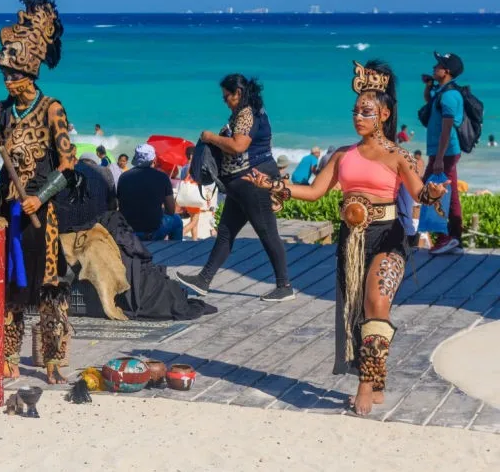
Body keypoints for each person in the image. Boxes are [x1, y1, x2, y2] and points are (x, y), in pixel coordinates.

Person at [245, 60, 448, 415]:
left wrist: (432, 192)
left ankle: (365, 385)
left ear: (383, 114)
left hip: (390, 237)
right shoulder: (342, 155)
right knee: (357, 313)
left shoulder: (400, 156)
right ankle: (377, 375)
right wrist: (275, 185)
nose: (359, 117)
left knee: (377, 303)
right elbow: (314, 191)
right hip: (351, 240)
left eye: (366, 112)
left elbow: (419, 195)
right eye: (355, 111)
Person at [0, 0, 77, 384]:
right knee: (10, 287)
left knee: (50, 289)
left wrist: (41, 195)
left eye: (13, 75)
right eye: (4, 74)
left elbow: (68, 163)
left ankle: (52, 359)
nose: (7, 81)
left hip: (44, 212)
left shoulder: (52, 107)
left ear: (30, 74)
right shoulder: (0, 110)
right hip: (10, 210)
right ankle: (8, 355)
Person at [176, 74, 293, 302]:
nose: (224, 100)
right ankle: (204, 280)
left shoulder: (247, 113)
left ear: (237, 93)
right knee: (226, 233)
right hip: (241, 184)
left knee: (267, 232)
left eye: (226, 96)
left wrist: (210, 137)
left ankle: (284, 285)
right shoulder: (249, 112)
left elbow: (239, 146)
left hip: (253, 180)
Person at [420, 51, 465, 255]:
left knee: (431, 191)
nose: (433, 68)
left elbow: (447, 129)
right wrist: (429, 89)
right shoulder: (443, 92)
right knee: (451, 194)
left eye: (437, 65)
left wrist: (438, 158)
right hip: (444, 152)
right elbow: (431, 106)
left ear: (446, 71)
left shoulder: (449, 96)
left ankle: (445, 237)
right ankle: (455, 238)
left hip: (444, 153)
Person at [118, 143, 182, 242]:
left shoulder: (123, 177)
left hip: (129, 232)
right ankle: (174, 249)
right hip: (152, 232)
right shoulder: (162, 177)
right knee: (177, 220)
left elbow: (120, 204)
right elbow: (171, 210)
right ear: (153, 160)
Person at [56, 152, 117, 232]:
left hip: (66, 226)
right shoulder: (105, 171)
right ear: (95, 162)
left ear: (80, 161)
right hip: (96, 227)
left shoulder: (65, 171)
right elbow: (112, 203)